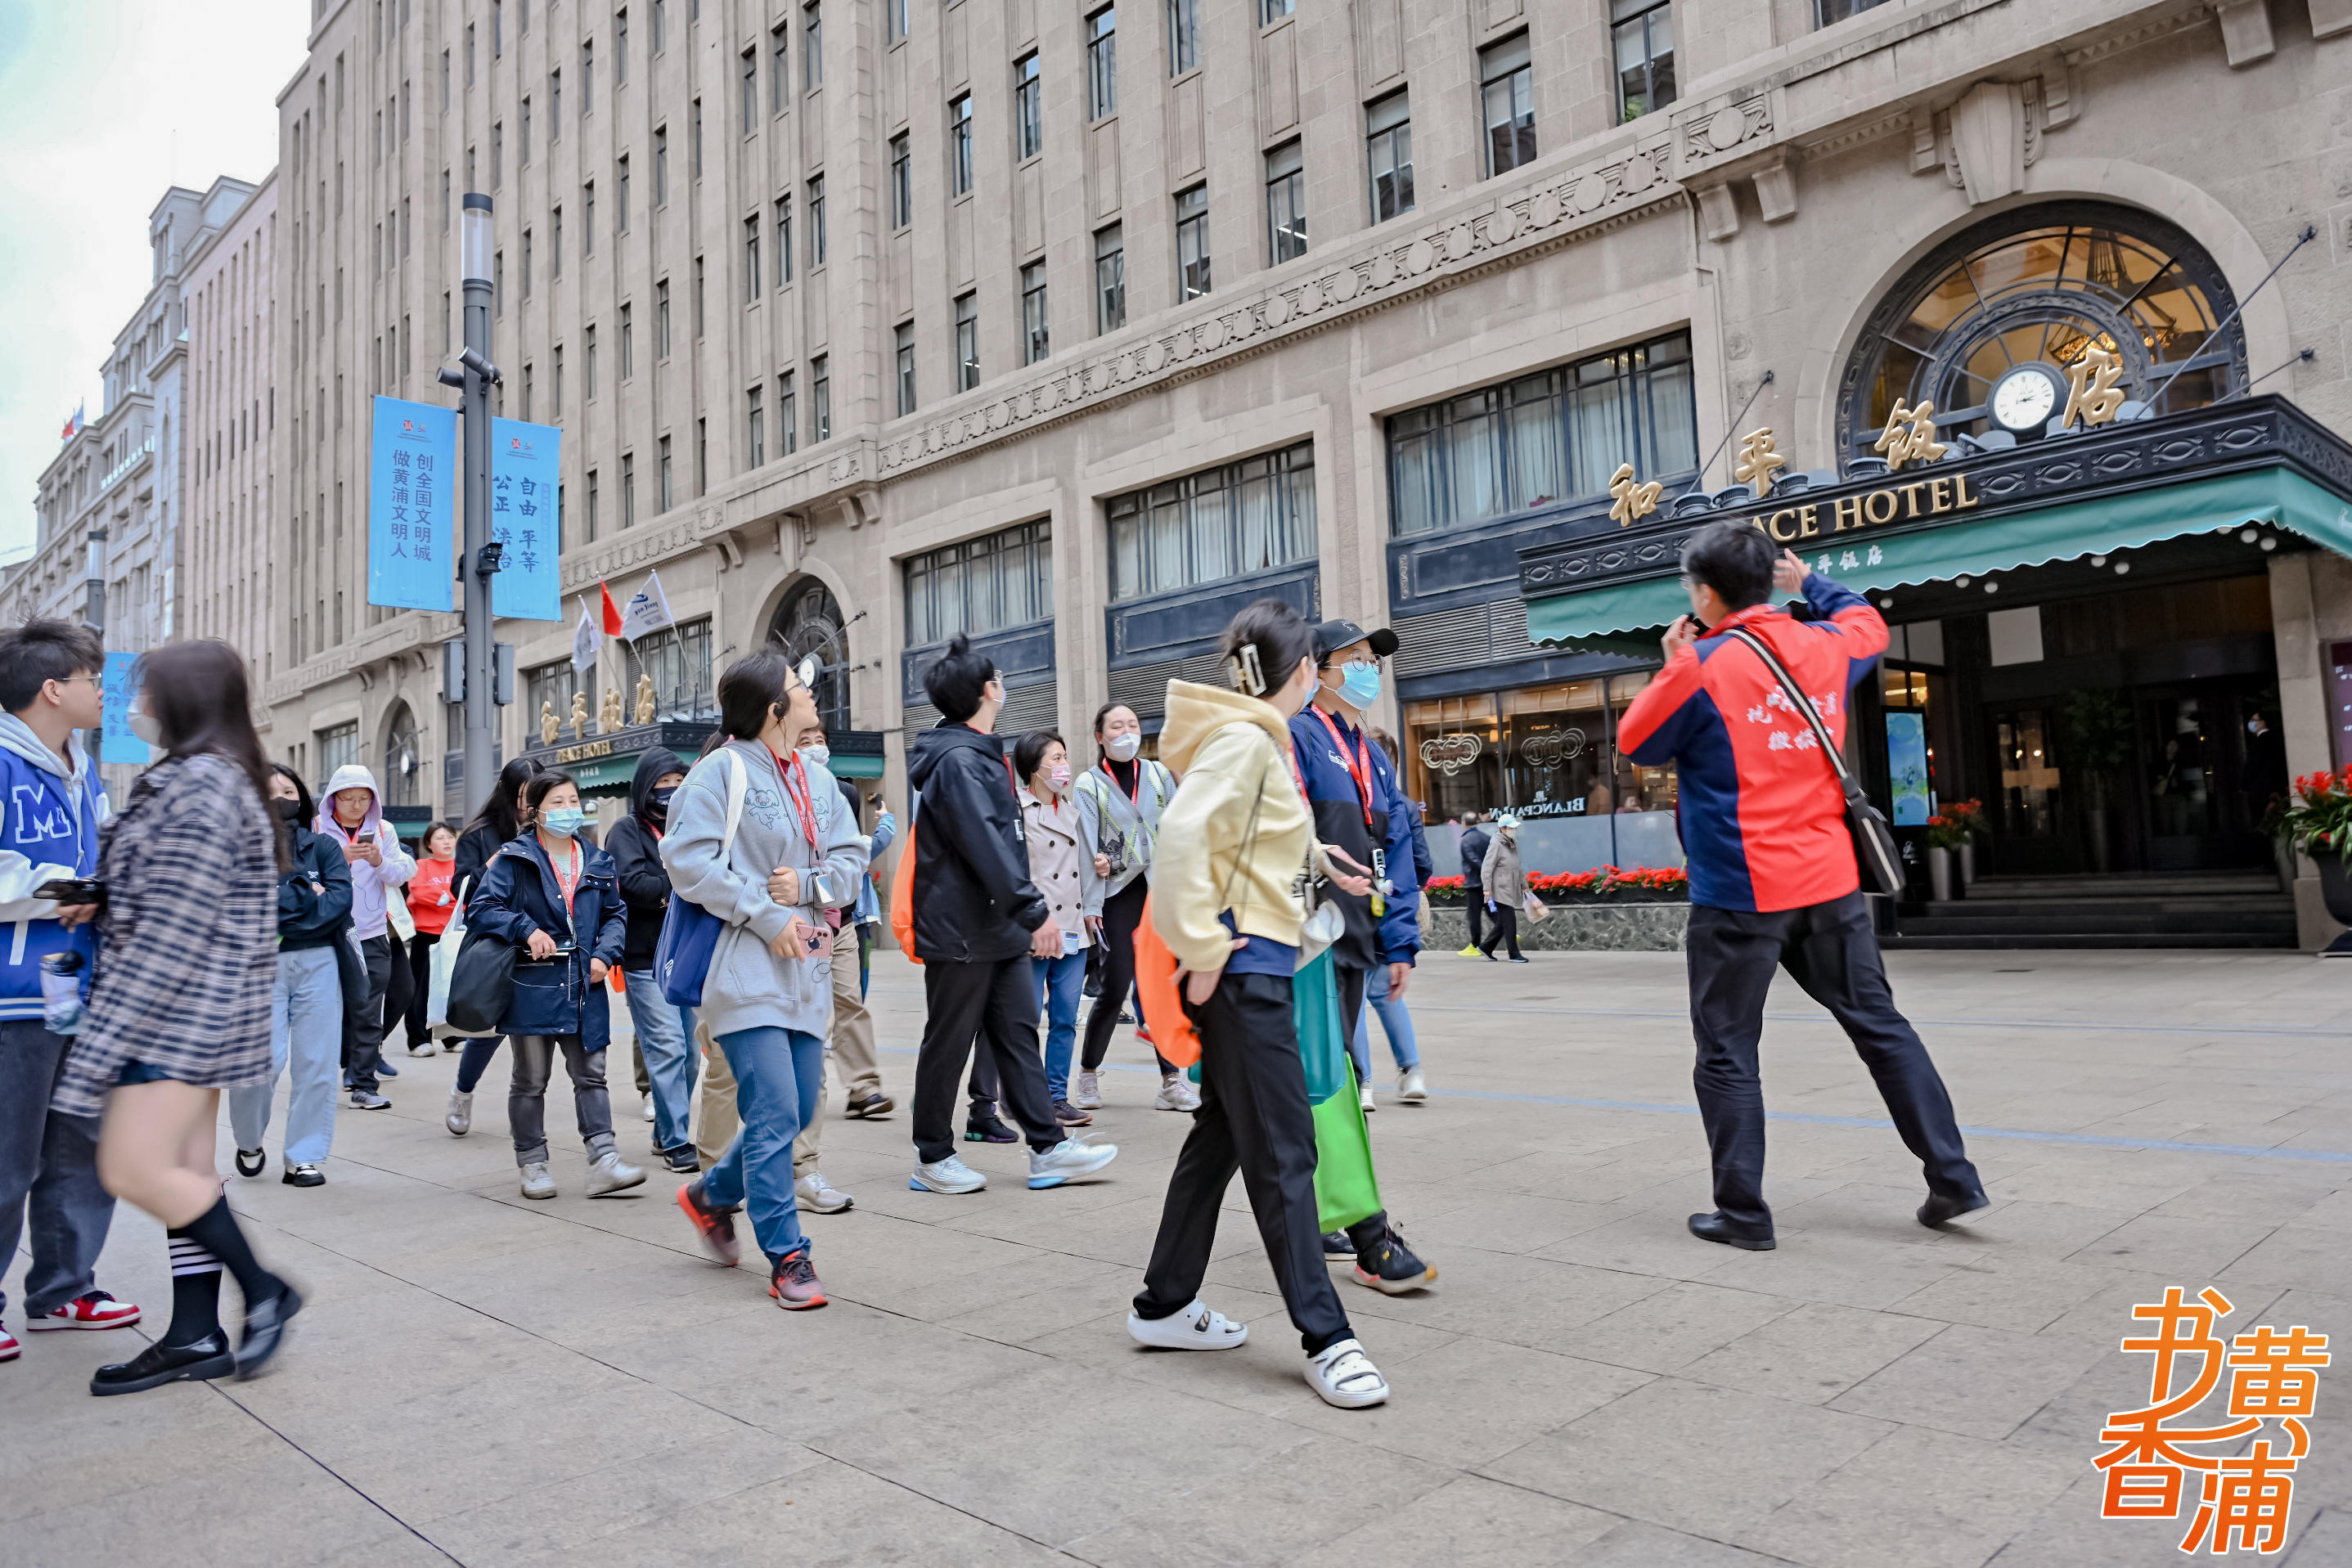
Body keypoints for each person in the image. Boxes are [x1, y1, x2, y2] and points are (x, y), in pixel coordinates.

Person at [1619, 522, 1987, 1251]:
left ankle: (1743, 1213)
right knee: (1878, 1024)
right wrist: (1811, 583)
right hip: (1828, 880)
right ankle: (1952, 1175)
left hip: (1740, 891)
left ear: (1704, 593)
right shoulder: (1824, 645)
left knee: (1727, 1048)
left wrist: (1675, 662)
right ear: (1768, 581)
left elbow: (1637, 740)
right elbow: (1868, 624)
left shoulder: (1700, 665)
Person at [1127, 599, 1393, 1409]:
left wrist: (1318, 862)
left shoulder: (1252, 739)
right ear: (1306, 669)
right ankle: (1327, 1336)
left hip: (1257, 969)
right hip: (1247, 976)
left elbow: (1248, 848)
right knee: (1285, 1152)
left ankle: (1163, 1303)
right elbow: (1181, 841)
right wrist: (1205, 950)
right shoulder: (1245, 742)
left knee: (1220, 1140)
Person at [54, 640, 302, 1395]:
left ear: (181, 699)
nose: (137, 707)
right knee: (188, 1175)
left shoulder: (199, 782)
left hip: (177, 1014)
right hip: (201, 1011)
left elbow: (175, 928)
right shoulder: (213, 775)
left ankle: (265, 1288)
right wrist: (105, 892)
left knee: (132, 1167)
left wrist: (105, 1042)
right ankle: (195, 1332)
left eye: (147, 692)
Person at [665, 653, 866, 1309]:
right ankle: (788, 1255)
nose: (810, 693)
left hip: (806, 969)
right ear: (775, 708)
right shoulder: (718, 772)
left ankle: (711, 1194)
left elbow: (851, 861)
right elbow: (686, 861)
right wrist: (763, 911)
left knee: (800, 1106)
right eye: (799, 687)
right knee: (776, 1110)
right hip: (742, 968)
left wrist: (806, 885)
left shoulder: (817, 778)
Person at [902, 635, 1118, 1196]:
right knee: (949, 1041)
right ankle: (933, 1156)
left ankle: (1047, 1147)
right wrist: (1033, 911)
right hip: (960, 930)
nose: (1004, 684)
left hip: (994, 927)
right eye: (997, 677)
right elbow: (986, 846)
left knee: (1018, 1033)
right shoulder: (958, 761)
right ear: (987, 690)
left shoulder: (979, 754)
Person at [0, 619, 142, 1368]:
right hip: (12, 995)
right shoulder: (3, 763)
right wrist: (66, 888)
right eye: (94, 680)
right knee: (7, 1157)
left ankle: (64, 1287)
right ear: (53, 689)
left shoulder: (83, 772)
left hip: (81, 992)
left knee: (79, 1149)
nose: (104, 693)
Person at [466, 771, 645, 1200]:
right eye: (558, 803)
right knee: (531, 1079)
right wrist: (525, 929)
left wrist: (605, 954)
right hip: (533, 984)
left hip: (586, 983)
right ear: (535, 811)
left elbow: (615, 914)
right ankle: (532, 1164)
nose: (568, 810)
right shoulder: (516, 858)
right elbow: (483, 907)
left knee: (592, 1076)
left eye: (573, 801)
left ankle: (604, 1161)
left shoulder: (597, 859)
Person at [1290, 620, 1422, 1115]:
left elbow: (1398, 849)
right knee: (1314, 1063)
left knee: (1338, 1066)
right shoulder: (1299, 736)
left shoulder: (1373, 755)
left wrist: (1400, 942)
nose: (1369, 670)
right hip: (1315, 934)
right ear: (1318, 671)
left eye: (1373, 661)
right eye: (1356, 660)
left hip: (1362, 930)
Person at [228, 766, 353, 1187]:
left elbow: (339, 901)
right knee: (261, 1062)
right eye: (268, 792)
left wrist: (283, 908)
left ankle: (304, 1156)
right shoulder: (239, 850)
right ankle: (248, 1140)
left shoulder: (324, 847)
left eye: (287, 791)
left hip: (319, 961)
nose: (279, 799)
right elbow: (239, 906)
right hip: (260, 965)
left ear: (301, 797)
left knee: (317, 1063)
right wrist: (306, 899)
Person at [1073, 703, 1189, 1113]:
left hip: (1157, 890)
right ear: (1100, 737)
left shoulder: (1157, 774)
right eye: (1116, 726)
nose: (1126, 732)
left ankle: (1171, 1080)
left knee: (1161, 986)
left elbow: (1178, 825)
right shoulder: (1089, 784)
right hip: (1117, 893)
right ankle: (1088, 1071)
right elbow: (1087, 848)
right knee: (1116, 985)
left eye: (1133, 724)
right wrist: (1091, 903)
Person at [605, 747, 699, 1174]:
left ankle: (665, 1131)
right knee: (667, 1047)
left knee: (691, 1055)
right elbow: (633, 883)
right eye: (663, 783)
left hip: (687, 954)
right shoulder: (626, 830)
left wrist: (669, 886)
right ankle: (678, 1140)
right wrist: (682, 884)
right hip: (645, 959)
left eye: (679, 783)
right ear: (645, 786)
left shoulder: (689, 825)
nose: (672, 791)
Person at [444, 756, 543, 1136]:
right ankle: (463, 1091)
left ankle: (527, 1115)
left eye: (536, 794)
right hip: (496, 940)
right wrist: (493, 862)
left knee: (531, 1031)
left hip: (541, 940)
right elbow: (461, 889)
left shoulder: (550, 827)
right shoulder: (480, 834)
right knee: (489, 1030)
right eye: (523, 794)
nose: (529, 803)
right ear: (507, 792)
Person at [803, 725, 895, 1123]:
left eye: (820, 741)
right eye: (805, 741)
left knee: (850, 1001)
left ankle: (863, 1087)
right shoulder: (781, 795)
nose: (815, 748)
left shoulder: (844, 792)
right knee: (810, 1006)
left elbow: (849, 855)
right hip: (804, 922)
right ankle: (806, 1089)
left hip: (841, 920)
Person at [317, 763, 415, 1110]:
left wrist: (378, 861)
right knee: (327, 1007)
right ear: (333, 798)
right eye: (348, 798)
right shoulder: (316, 829)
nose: (356, 805)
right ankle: (324, 1076)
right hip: (326, 933)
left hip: (372, 932)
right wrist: (336, 858)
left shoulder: (383, 830)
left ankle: (363, 1083)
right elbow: (301, 875)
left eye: (364, 798)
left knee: (370, 1009)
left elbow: (401, 873)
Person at [1014, 730, 1099, 1125]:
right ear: (1035, 768)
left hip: (1073, 930)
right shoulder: (1016, 811)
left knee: (1065, 1019)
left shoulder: (1073, 811)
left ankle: (1056, 1097)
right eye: (1056, 758)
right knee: (1026, 1019)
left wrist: (1101, 865)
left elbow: (1084, 866)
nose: (1064, 765)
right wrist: (1030, 921)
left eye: (1065, 756)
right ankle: (1022, 1094)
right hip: (1036, 929)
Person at [1352, 728, 1428, 1104]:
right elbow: (1421, 863)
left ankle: (1363, 1083)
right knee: (1388, 993)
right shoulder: (1405, 805)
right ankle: (1412, 1072)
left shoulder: (1349, 801)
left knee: (1353, 1002)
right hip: (1392, 907)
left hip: (1353, 907)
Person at [398, 821, 459, 1056]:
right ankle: (418, 1040)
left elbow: (467, 898)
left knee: (452, 988)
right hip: (426, 935)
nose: (446, 842)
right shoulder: (422, 866)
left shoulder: (462, 866)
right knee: (420, 989)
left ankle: (453, 1037)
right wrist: (449, 899)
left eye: (450, 836)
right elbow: (418, 892)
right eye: (440, 838)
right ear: (428, 844)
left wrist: (443, 899)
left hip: (454, 935)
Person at [1478, 813, 1528, 963]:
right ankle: (1514, 954)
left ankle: (1486, 947)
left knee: (1503, 921)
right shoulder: (1496, 843)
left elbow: (1517, 866)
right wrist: (1487, 888)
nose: (1514, 830)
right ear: (1503, 828)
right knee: (1509, 919)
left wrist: (1524, 885)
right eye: (1511, 828)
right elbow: (1487, 867)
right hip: (1499, 887)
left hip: (1509, 886)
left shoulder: (1513, 842)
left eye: (1514, 827)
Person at [1455, 811, 1490, 957]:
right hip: (1487, 884)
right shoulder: (1486, 838)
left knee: (1474, 916)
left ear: (1463, 823)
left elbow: (1473, 860)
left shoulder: (1465, 840)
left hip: (1474, 884)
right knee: (1492, 911)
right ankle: (1510, 934)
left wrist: (1484, 871)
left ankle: (1475, 945)